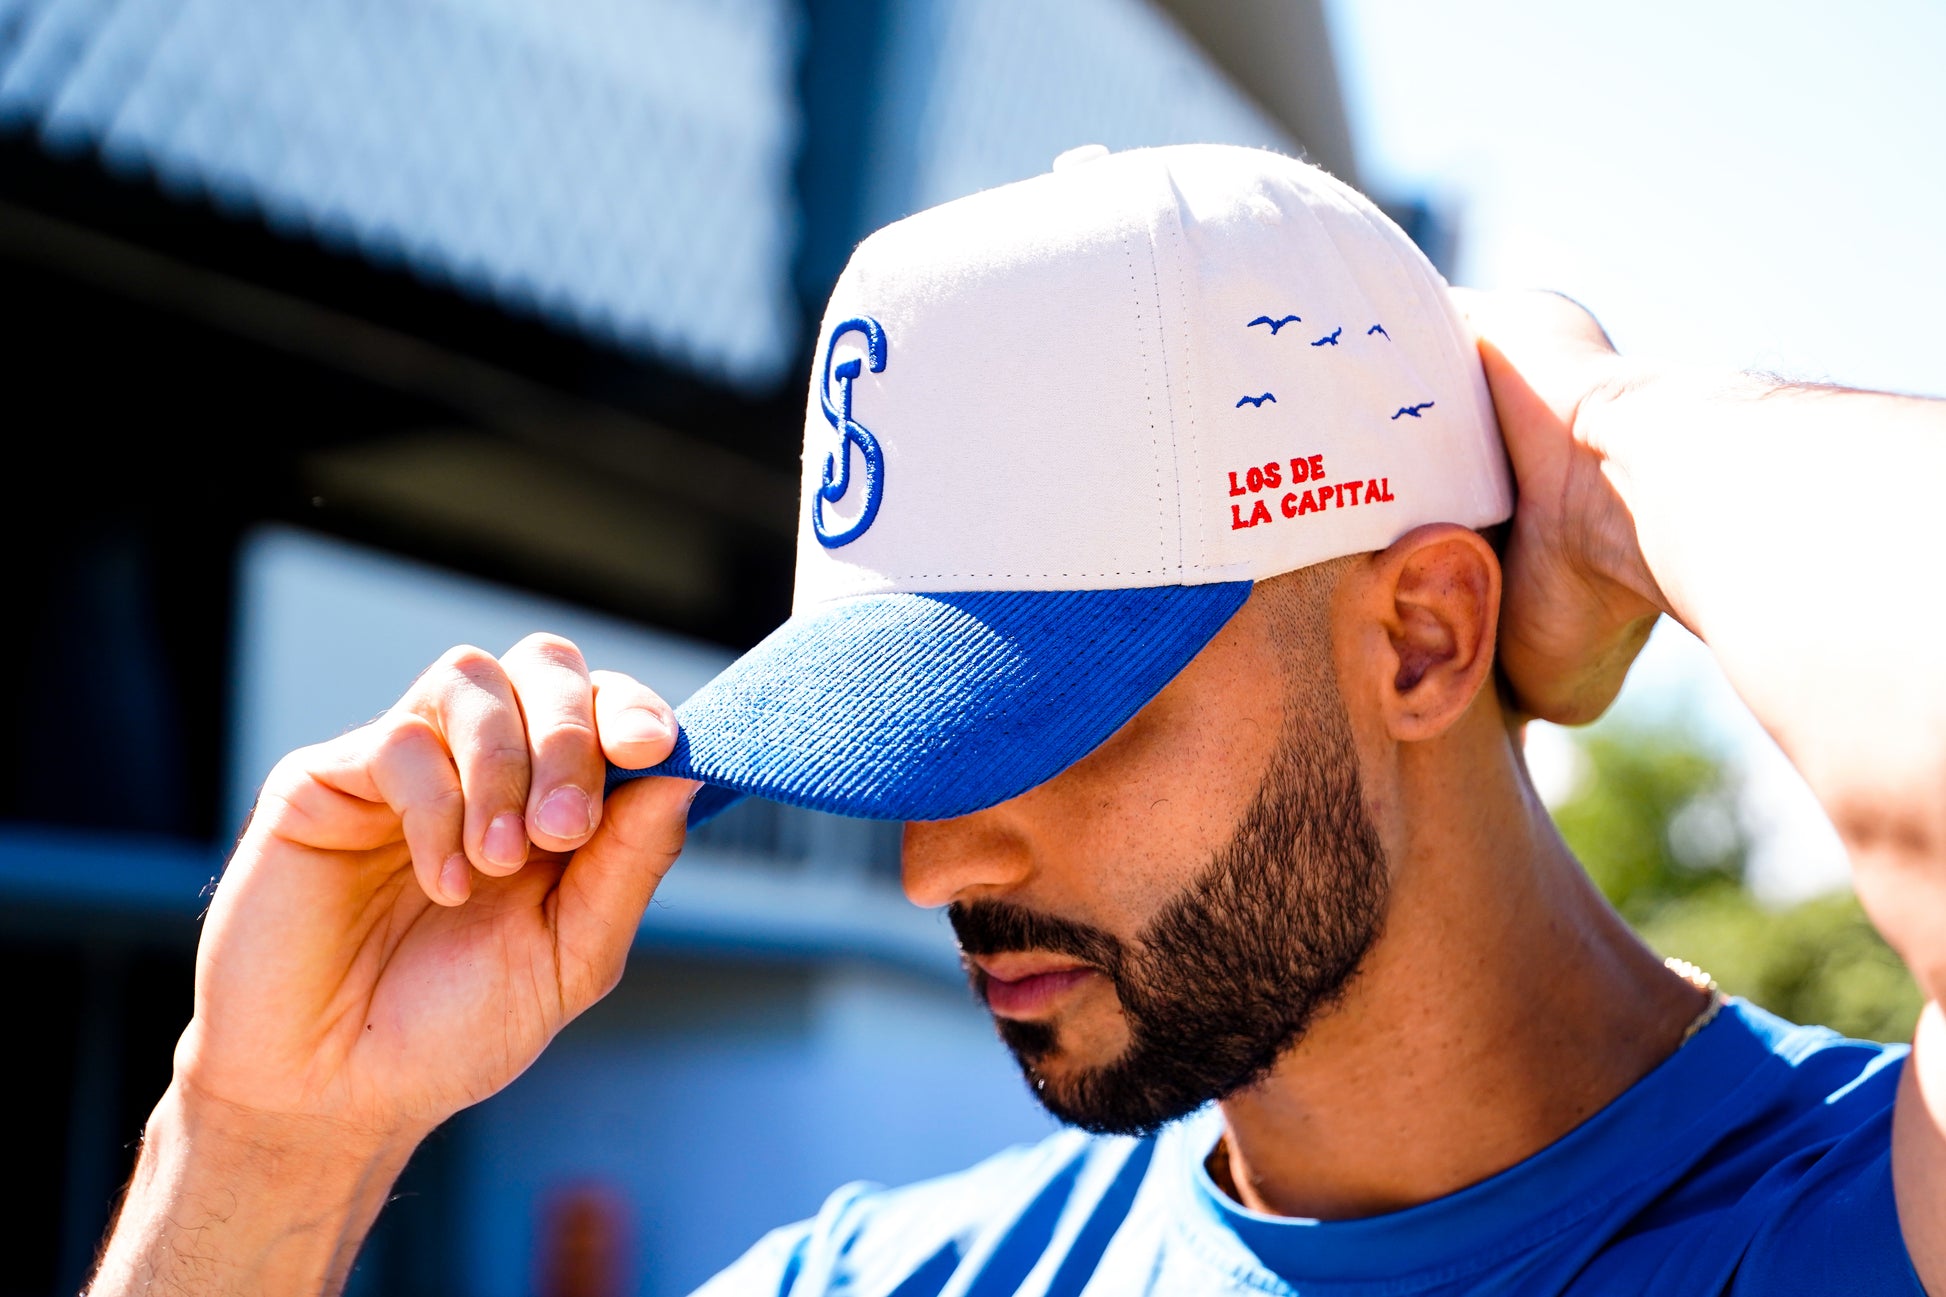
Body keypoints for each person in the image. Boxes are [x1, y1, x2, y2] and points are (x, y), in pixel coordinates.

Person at [91, 146, 1943, 1295]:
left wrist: (1614, 438)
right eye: (907, 743)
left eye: (1049, 717)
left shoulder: (1851, 1231)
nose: (936, 866)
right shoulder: (888, 1278)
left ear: (1422, 637)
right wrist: (267, 1143)